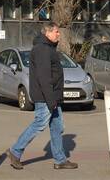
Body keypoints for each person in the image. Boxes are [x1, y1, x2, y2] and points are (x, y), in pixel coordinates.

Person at [6, 22, 77, 170]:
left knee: (57, 127)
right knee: (39, 124)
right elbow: (44, 78)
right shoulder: (42, 50)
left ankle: (60, 159)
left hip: (52, 97)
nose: (59, 34)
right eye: (56, 32)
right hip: (46, 98)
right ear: (48, 33)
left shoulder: (48, 48)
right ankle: (15, 151)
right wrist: (51, 100)